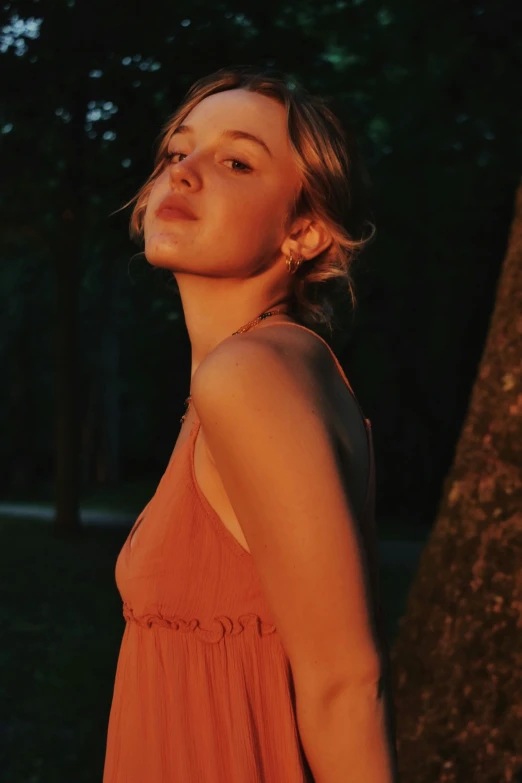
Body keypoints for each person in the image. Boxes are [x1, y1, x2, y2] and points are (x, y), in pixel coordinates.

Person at [103, 66, 398, 783]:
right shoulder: (260, 369)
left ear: (303, 232)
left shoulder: (251, 376)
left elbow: (346, 687)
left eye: (235, 160)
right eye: (177, 153)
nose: (187, 173)